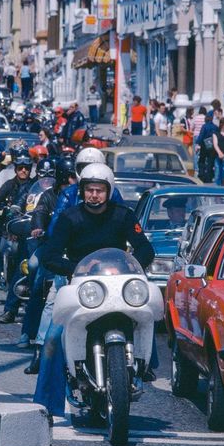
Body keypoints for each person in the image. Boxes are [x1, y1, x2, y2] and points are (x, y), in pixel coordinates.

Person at [34, 163, 155, 416]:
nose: (94, 195)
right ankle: (46, 406)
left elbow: (145, 248)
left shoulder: (123, 215)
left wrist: (135, 267)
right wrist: (74, 267)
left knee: (145, 315)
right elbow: (50, 254)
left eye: (100, 190)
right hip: (78, 284)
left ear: (108, 191)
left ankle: (147, 363)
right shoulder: (70, 218)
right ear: (82, 191)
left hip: (118, 283)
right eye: (89, 189)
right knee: (53, 339)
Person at [21, 157, 76, 372]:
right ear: (63, 176)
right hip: (52, 248)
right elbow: (40, 212)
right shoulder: (50, 196)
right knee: (36, 276)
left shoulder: (81, 196)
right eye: (72, 175)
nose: (75, 180)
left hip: (75, 254)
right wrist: (37, 227)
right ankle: (37, 346)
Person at [0, 152, 36, 322]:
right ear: (15, 169)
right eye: (20, 168)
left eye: (26, 168)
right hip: (12, 227)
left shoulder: (35, 186)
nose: (23, 171)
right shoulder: (10, 184)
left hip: (32, 230)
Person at [195, 111, 219, 183]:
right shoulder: (215, 127)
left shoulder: (204, 126)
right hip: (213, 146)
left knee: (201, 161)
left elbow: (201, 136)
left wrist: (197, 143)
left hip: (204, 146)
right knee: (210, 162)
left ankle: (201, 175)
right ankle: (209, 177)